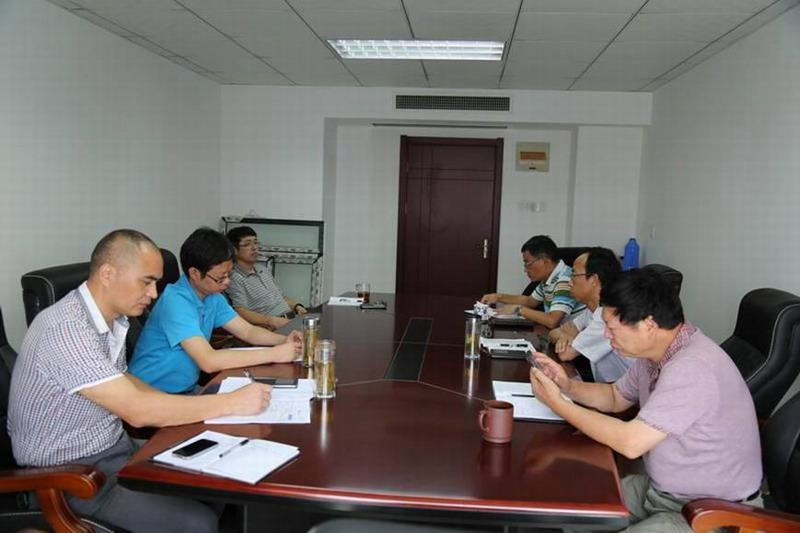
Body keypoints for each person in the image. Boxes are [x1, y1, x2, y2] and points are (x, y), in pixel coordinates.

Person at [8, 229, 275, 533]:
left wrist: (197, 404)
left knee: (217, 482)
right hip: (71, 478)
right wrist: (230, 403)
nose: (153, 294)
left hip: (117, 450)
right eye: (146, 282)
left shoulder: (112, 320)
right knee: (198, 523)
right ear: (108, 273)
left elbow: (128, 382)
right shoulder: (66, 329)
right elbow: (137, 411)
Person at [529, 269, 762, 532]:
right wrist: (567, 386)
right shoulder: (656, 354)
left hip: (712, 513)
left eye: (611, 327)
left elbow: (631, 443)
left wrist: (558, 403)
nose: (606, 335)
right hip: (662, 492)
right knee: (570, 510)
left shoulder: (693, 367)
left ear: (648, 325)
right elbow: (615, 397)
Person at [129, 227, 301, 394]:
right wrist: (275, 354)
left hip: (186, 390)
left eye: (229, 275)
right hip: (151, 395)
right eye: (220, 278)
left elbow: (248, 331)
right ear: (195, 273)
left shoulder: (212, 296)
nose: (227, 282)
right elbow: (209, 361)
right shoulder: (175, 302)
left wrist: (284, 340)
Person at [548, 247, 634, 383]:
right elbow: (554, 333)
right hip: (608, 387)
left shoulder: (607, 316)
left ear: (593, 280)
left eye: (574, 274)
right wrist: (569, 336)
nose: (569, 281)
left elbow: (565, 354)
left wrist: (572, 336)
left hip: (626, 392)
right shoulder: (591, 310)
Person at [481, 235, 584, 329]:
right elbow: (530, 301)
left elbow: (552, 321)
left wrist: (518, 310)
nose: (525, 270)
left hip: (574, 337)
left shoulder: (565, 280)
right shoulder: (550, 278)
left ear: (544, 261)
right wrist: (498, 297)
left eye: (528, 264)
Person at [225, 226, 307, 330]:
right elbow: (241, 311)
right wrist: (271, 321)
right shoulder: (235, 278)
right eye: (247, 244)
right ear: (234, 250)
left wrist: (297, 306)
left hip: (292, 319)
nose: (254, 247)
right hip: (273, 326)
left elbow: (280, 296)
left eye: (256, 242)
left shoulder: (262, 269)